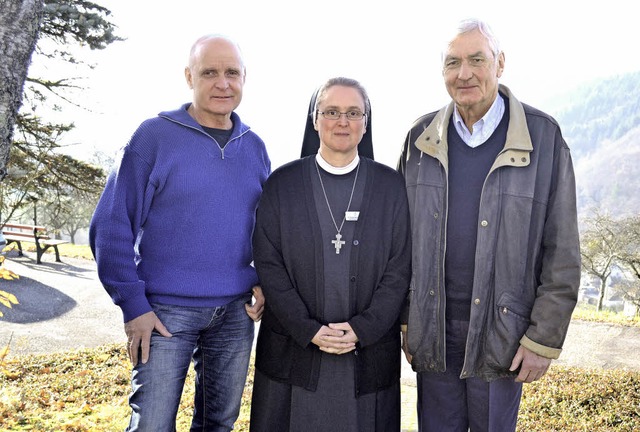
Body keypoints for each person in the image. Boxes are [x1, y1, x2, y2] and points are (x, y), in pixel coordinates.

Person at [397, 18, 580, 432]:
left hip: (504, 330)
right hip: (434, 329)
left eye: (476, 60)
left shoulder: (543, 137)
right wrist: (408, 320)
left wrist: (543, 338)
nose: (464, 73)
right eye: (453, 63)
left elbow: (562, 249)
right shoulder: (418, 139)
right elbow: (399, 243)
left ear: (500, 63)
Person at [89, 34, 271, 431]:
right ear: (189, 76)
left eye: (231, 73)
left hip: (236, 315)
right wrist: (133, 304)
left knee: (218, 424)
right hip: (164, 313)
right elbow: (111, 225)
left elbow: (263, 230)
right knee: (152, 424)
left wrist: (262, 281)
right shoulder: (153, 137)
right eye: (209, 73)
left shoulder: (254, 147)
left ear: (244, 78)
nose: (222, 83)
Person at [250, 77, 411, 432]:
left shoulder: (391, 187)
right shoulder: (282, 184)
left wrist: (362, 328)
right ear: (314, 119)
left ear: (366, 122)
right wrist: (307, 330)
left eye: (354, 113)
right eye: (332, 112)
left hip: (366, 354)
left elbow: (400, 268)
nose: (343, 121)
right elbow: (269, 264)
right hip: (293, 350)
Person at [300, 86, 375, 159]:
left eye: (353, 113)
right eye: (332, 113)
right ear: (316, 120)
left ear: (365, 124)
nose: (343, 123)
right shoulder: (289, 172)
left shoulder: (385, 172)